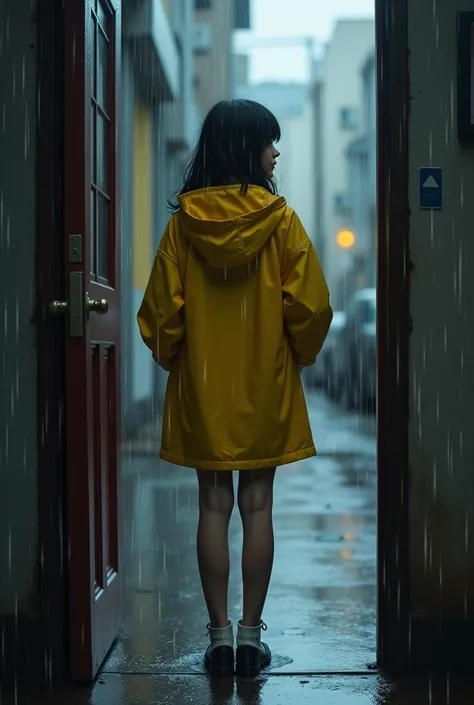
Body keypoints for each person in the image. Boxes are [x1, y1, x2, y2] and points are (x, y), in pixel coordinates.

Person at [137, 99, 333, 678]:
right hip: (264, 385)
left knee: (213, 505)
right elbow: (312, 307)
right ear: (248, 150)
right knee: (258, 504)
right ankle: (252, 635)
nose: (277, 152)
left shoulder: (183, 226)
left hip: (203, 388)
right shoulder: (281, 222)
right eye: (270, 142)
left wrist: (176, 355)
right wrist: (296, 353)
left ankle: (218, 636)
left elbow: (159, 315)